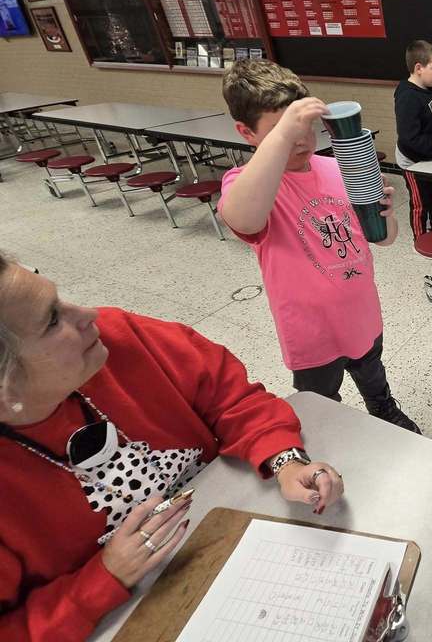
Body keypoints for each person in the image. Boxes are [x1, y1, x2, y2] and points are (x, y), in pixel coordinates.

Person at [0, 257, 344, 641]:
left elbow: (230, 397)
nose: (88, 313)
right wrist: (102, 579)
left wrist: (283, 458)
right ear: (5, 384)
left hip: (240, 544)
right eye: (51, 320)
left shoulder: (115, 338)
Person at [218, 60, 419, 433]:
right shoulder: (249, 184)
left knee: (372, 371)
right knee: (320, 400)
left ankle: (384, 409)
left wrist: (387, 217)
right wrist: (285, 133)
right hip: (312, 333)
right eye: (282, 130)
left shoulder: (336, 168)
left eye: (307, 127)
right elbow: (243, 218)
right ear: (246, 132)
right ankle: (328, 434)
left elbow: (384, 239)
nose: (302, 139)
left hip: (361, 311)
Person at [394, 39, 432, 238]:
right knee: (421, 202)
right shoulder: (407, 97)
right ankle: (420, 239)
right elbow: (410, 138)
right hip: (413, 161)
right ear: (418, 68)